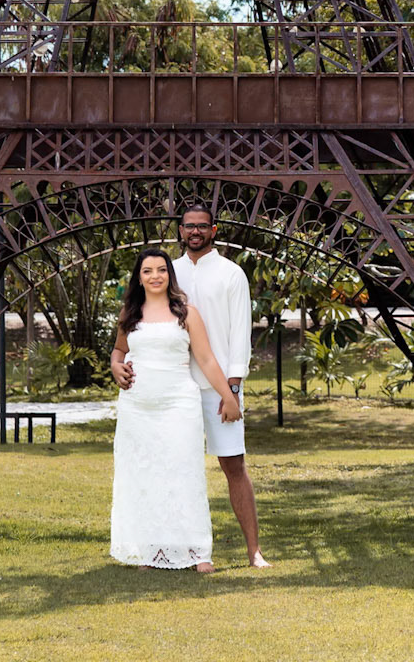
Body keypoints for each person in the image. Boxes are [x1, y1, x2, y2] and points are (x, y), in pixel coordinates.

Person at [114, 203, 269, 568]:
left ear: (213, 230)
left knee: (234, 465)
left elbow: (238, 336)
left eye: (202, 226)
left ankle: (254, 551)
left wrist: (232, 390)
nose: (195, 231)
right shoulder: (169, 272)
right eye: (189, 226)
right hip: (172, 388)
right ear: (180, 231)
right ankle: (163, 549)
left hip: (218, 388)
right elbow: (124, 343)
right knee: (168, 469)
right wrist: (116, 367)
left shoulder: (232, 275)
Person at [108, 246, 241, 572]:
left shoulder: (187, 313)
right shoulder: (130, 314)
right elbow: (118, 350)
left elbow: (207, 359)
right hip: (138, 407)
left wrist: (229, 397)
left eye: (161, 270)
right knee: (145, 476)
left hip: (178, 404)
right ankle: (151, 552)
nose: (155, 276)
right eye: (147, 271)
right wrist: (115, 367)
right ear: (138, 278)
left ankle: (198, 553)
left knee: (184, 472)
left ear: (170, 274)